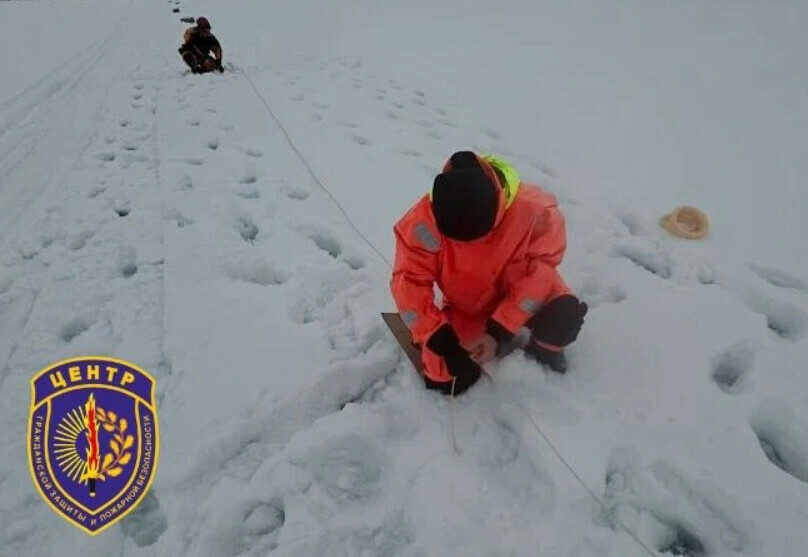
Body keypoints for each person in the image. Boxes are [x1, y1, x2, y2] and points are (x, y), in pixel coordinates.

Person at [390, 151, 588, 395]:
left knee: (562, 317)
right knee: (444, 377)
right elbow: (408, 282)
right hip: (468, 305)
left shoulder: (536, 210)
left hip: (527, 293)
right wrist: (435, 335)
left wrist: (499, 331)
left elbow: (542, 274)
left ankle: (544, 351)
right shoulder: (421, 224)